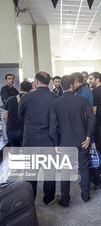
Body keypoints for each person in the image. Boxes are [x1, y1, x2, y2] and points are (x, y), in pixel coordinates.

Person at [50, 75, 95, 207]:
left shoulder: (55, 103)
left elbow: (53, 126)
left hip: (64, 142)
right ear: (72, 85)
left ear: (61, 86)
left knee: (65, 171)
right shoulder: (81, 100)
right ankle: (85, 196)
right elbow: (92, 118)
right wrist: (88, 136)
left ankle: (65, 200)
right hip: (82, 141)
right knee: (84, 167)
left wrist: (56, 143)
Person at [18, 71, 58, 204]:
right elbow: (57, 121)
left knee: (30, 172)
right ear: (49, 82)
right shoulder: (54, 98)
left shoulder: (26, 98)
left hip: (30, 140)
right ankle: (49, 198)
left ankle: (29, 200)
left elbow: (20, 118)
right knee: (49, 171)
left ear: (36, 81)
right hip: (49, 140)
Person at [3, 81, 32, 147]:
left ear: (19, 88)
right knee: (26, 151)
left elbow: (4, 116)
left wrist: (8, 126)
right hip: (24, 130)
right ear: (30, 90)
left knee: (14, 150)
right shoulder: (30, 100)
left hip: (11, 130)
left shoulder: (10, 100)